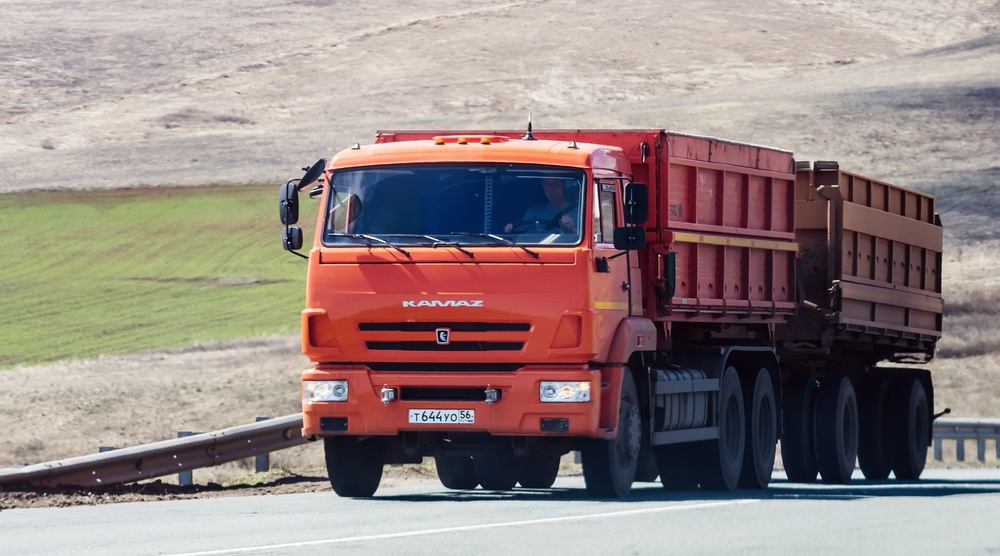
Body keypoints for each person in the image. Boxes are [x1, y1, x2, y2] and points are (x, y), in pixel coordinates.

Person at [505, 177, 578, 233]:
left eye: (555, 184)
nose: (551, 188)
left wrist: (572, 228)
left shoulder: (577, 212)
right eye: (547, 184)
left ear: (563, 185)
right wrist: (512, 229)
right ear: (542, 186)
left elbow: (586, 242)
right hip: (536, 250)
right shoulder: (534, 211)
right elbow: (522, 233)